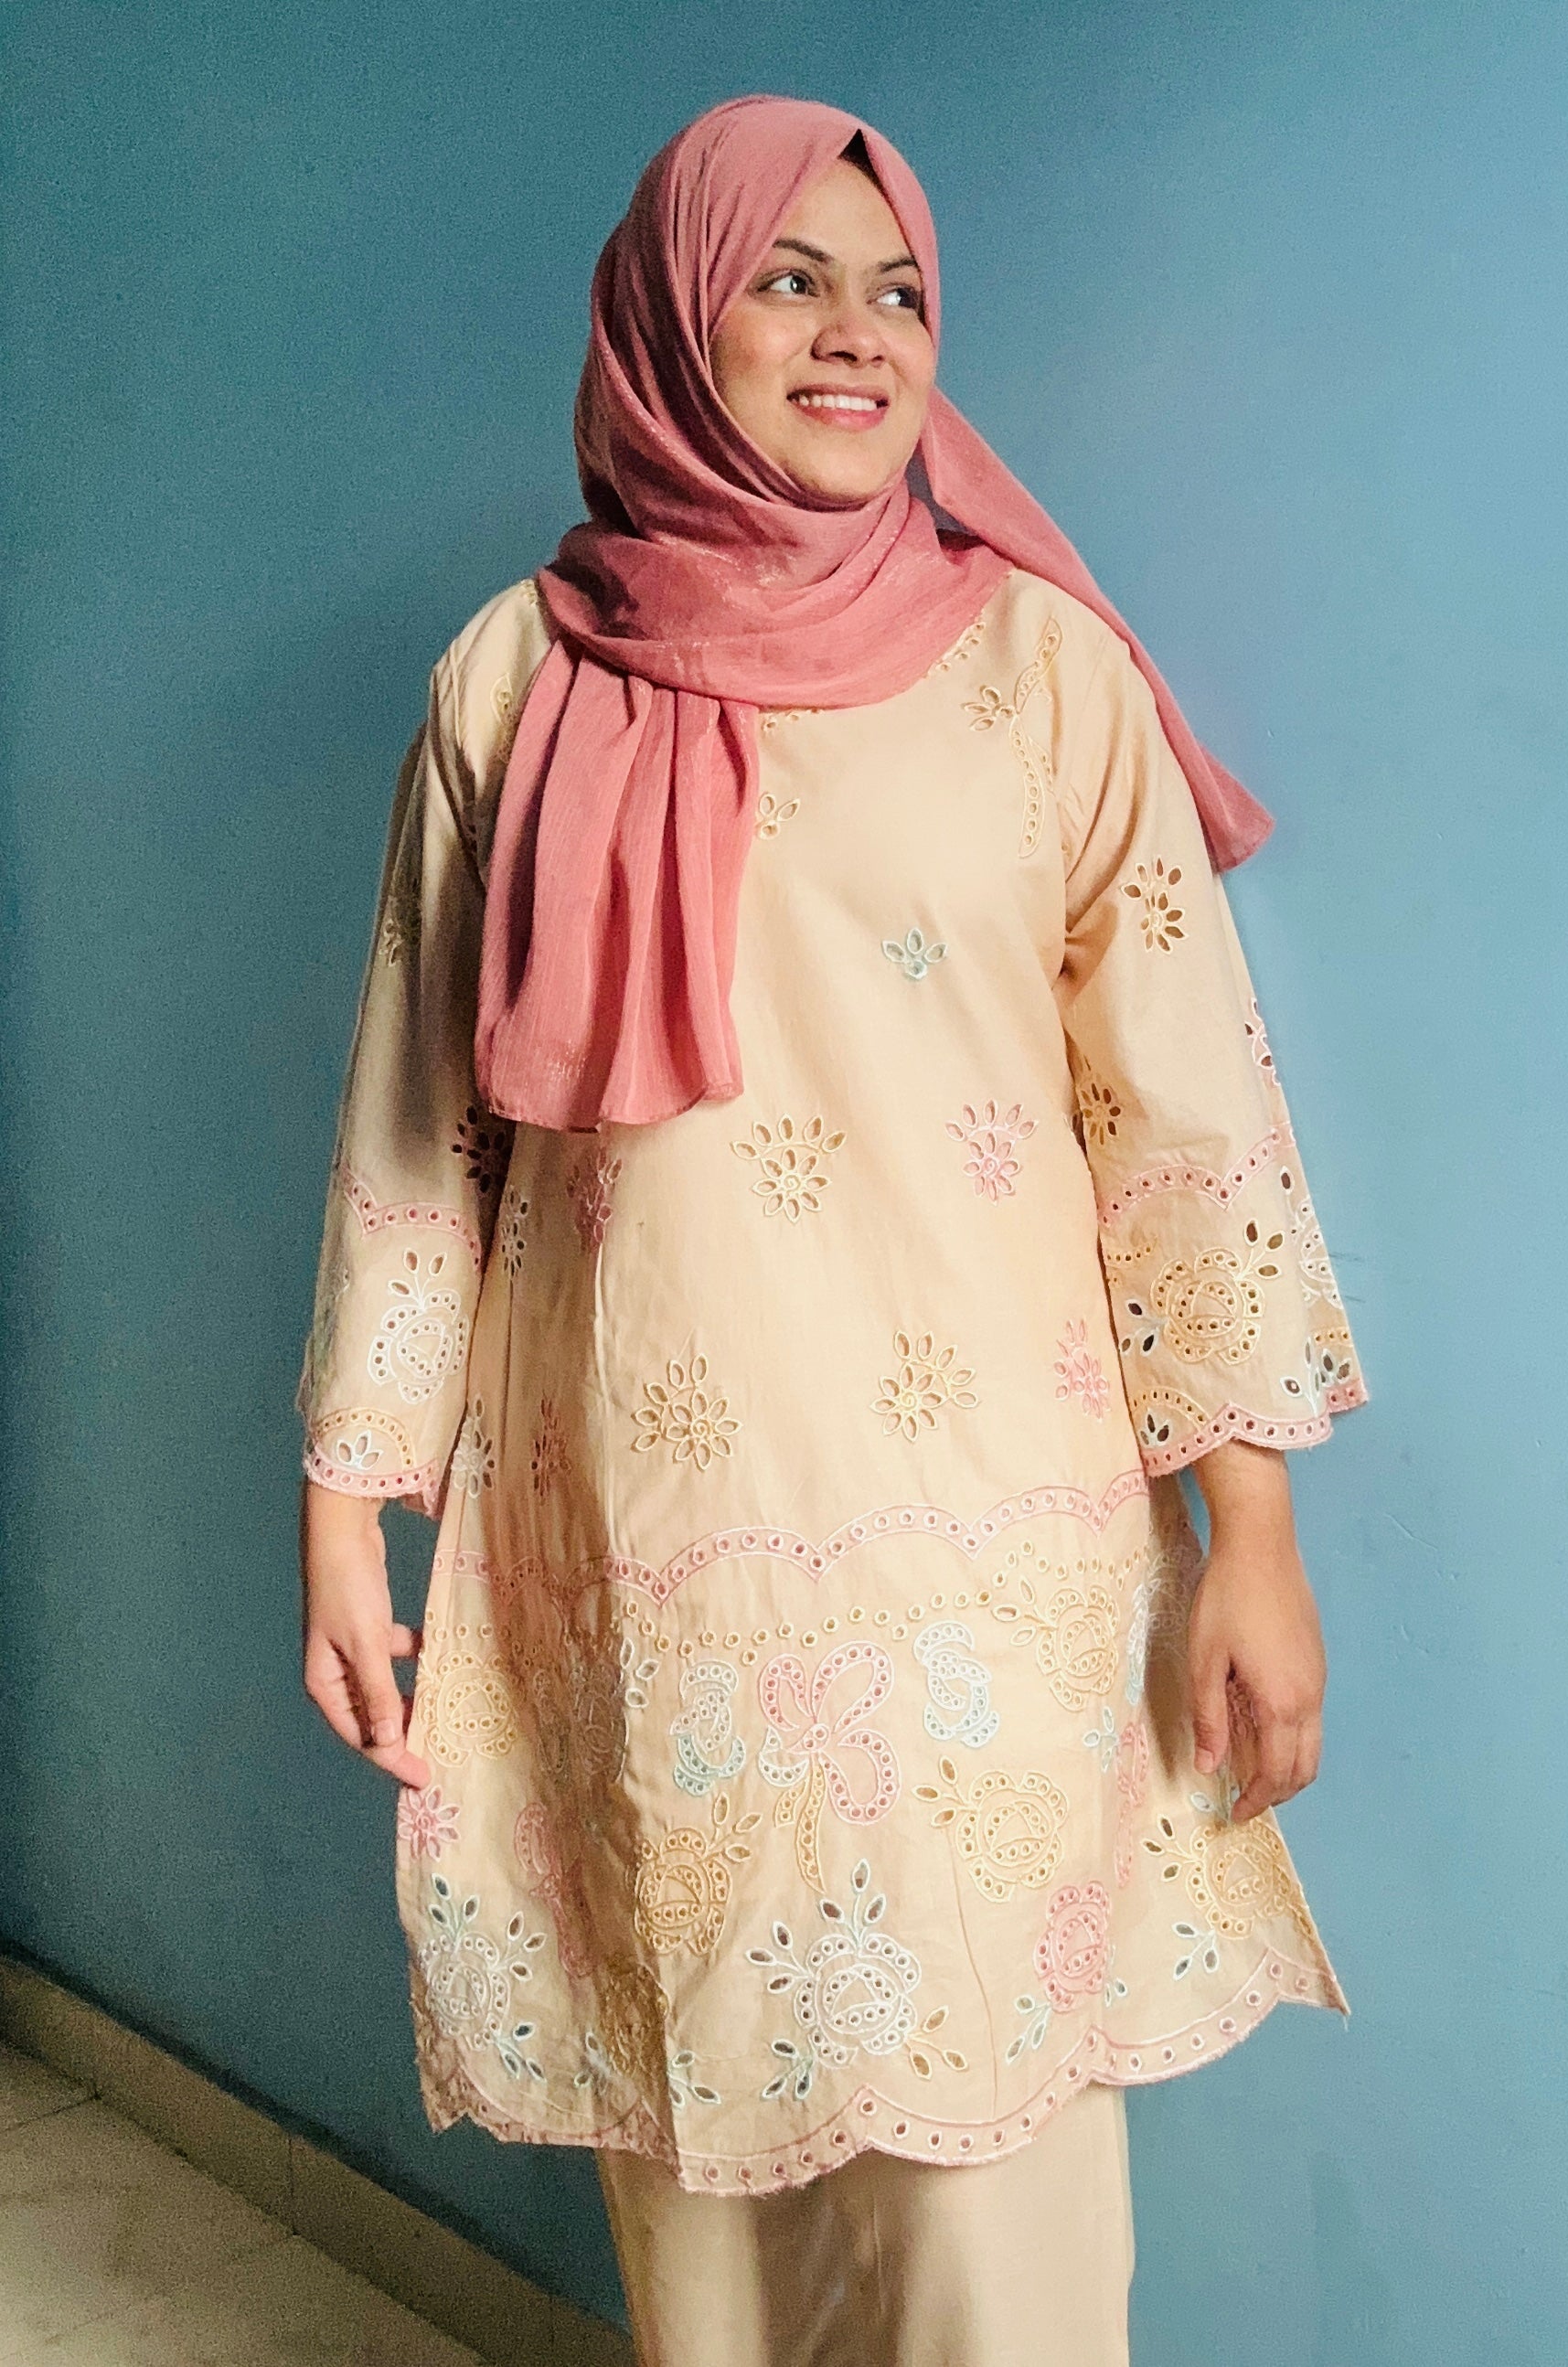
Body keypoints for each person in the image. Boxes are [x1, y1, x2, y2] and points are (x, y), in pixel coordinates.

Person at [296, 93, 1365, 2367]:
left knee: (1000, 2241)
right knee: (711, 2222)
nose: (857, 333)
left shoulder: (1041, 674)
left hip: (988, 1548)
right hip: (642, 1543)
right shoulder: (523, 677)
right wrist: (344, 1509)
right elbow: (418, 1131)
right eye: (788, 280)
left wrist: (1252, 1532)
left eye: (897, 291)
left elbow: (1181, 1125)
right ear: (670, 322)